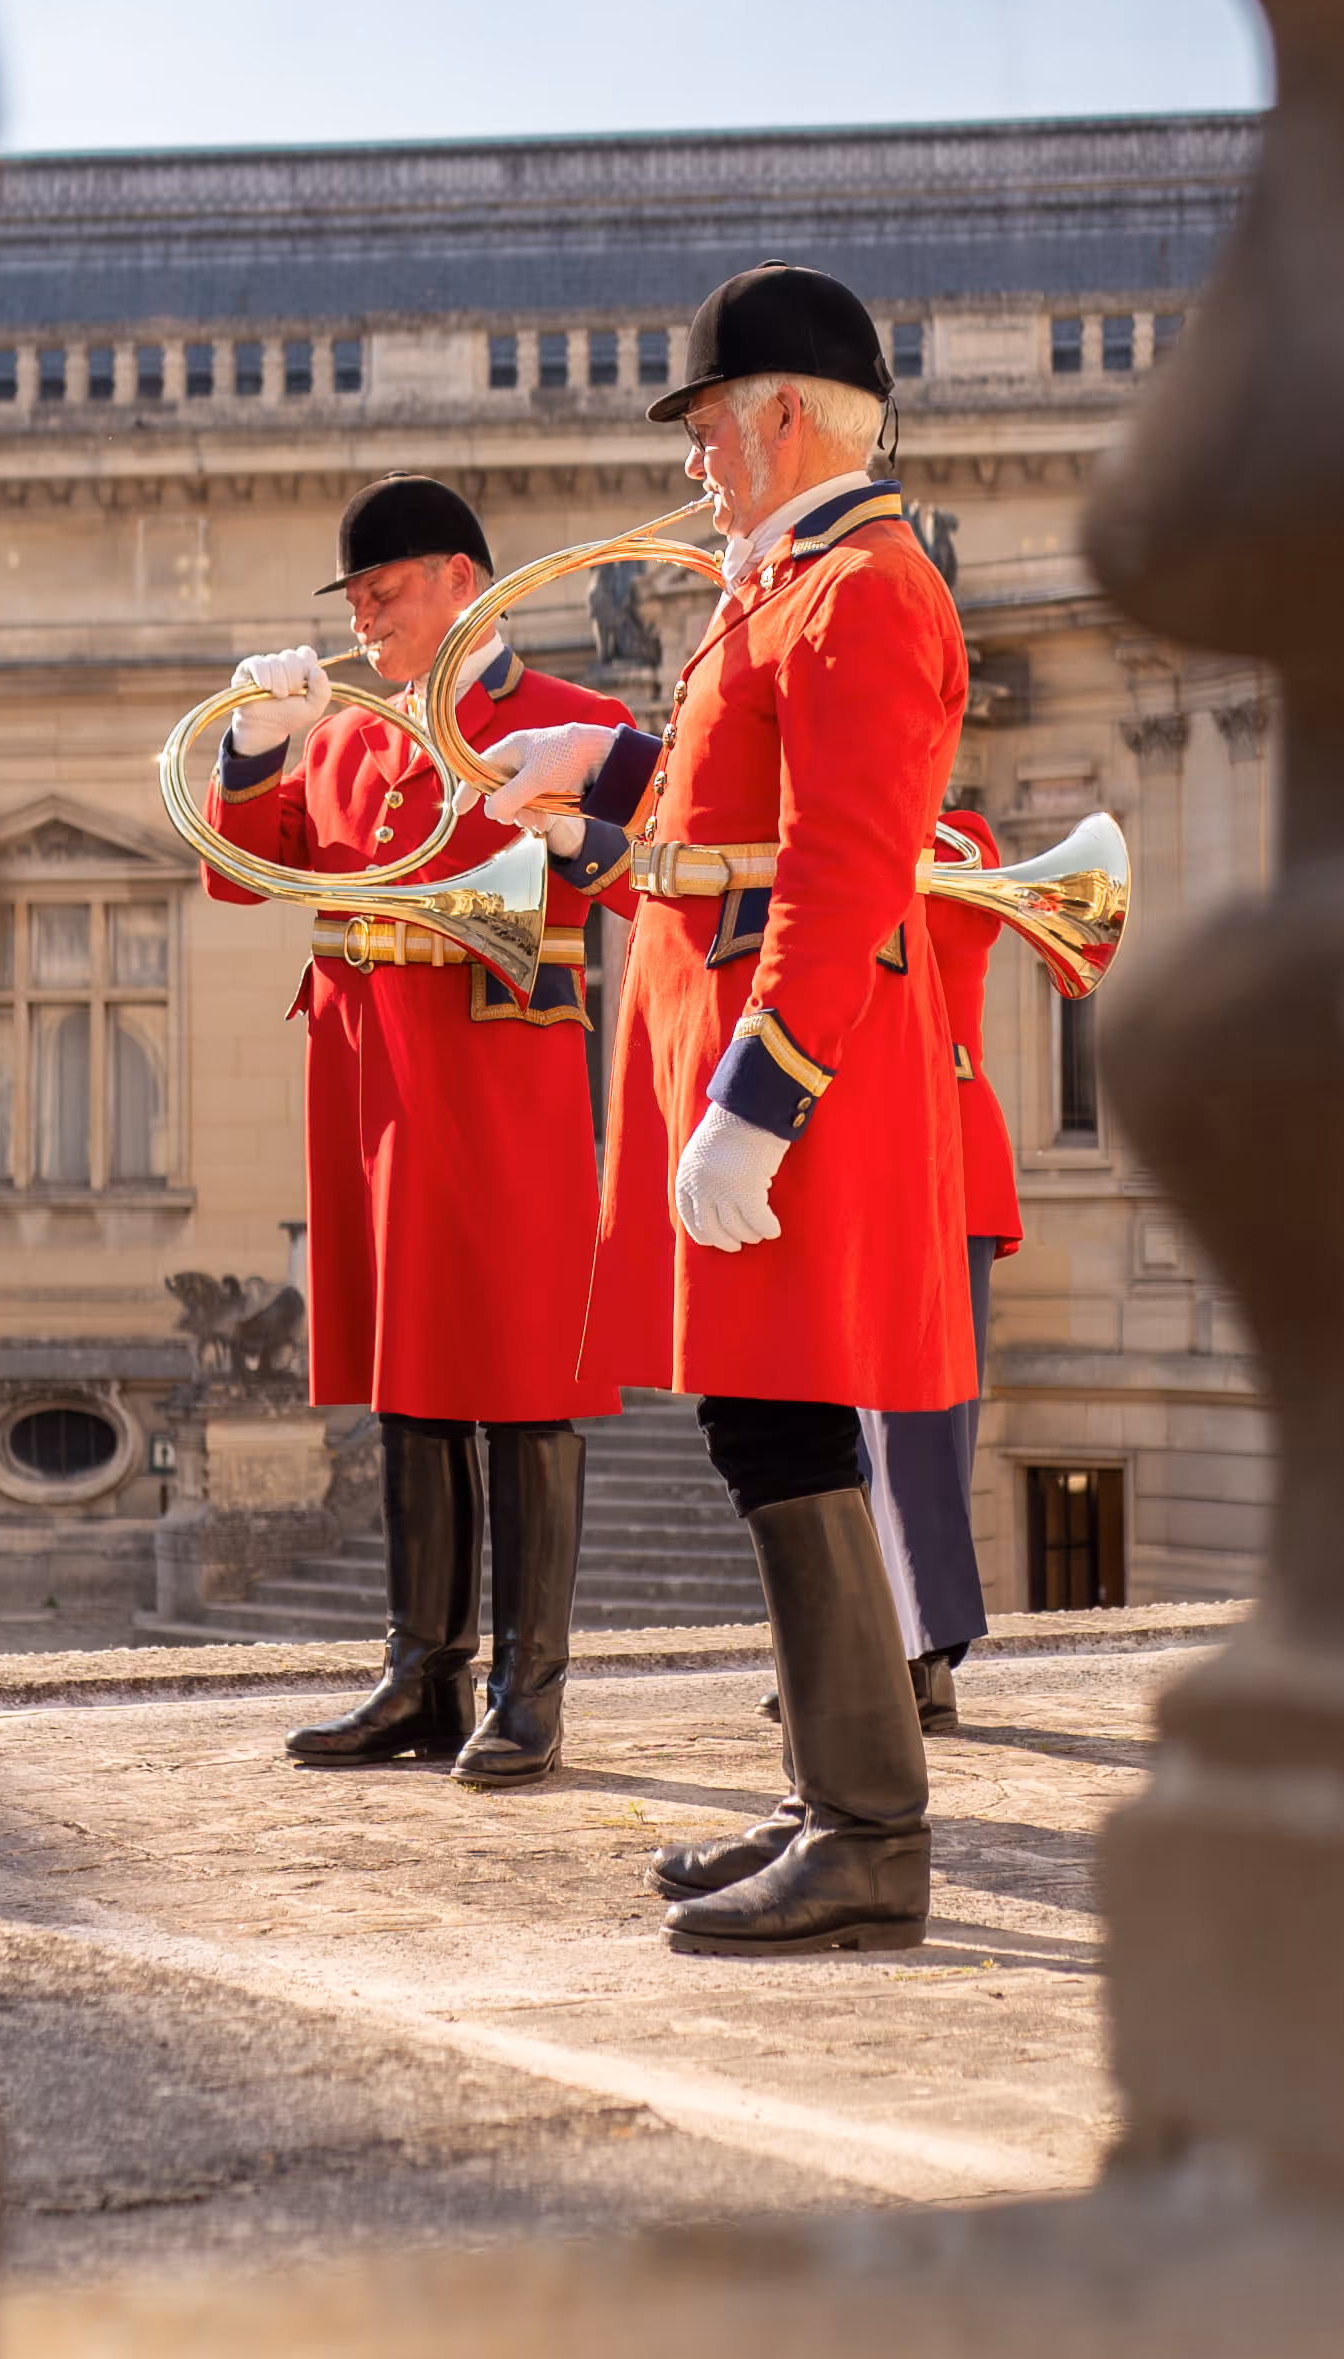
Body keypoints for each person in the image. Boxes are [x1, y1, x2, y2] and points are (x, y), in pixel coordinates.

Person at [484, 266, 972, 1955]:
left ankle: (867, 1830)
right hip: (723, 1034)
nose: (693, 458)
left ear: (776, 414)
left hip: (792, 1063)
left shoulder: (866, 591)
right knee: (765, 1418)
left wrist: (760, 1101)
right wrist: (594, 779)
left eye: (703, 425)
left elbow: (838, 872)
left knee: (776, 1421)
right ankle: (829, 1797)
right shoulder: (788, 589)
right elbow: (720, 802)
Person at [201, 474, 637, 1787]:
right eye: (355, 601)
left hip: (504, 1073)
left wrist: (572, 819)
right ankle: (419, 1674)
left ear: (459, 579)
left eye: (384, 595)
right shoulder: (345, 735)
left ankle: (530, 1684)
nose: (366, 622)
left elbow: (648, 851)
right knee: (408, 1381)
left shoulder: (570, 718)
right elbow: (236, 869)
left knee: (518, 1379)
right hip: (371, 1081)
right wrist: (257, 743)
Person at [859, 805, 1023, 1733]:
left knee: (926, 1417)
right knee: (843, 1422)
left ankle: (925, 1656)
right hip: (849, 1147)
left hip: (943, 1148)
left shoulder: (958, 839)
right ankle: (861, 1643)